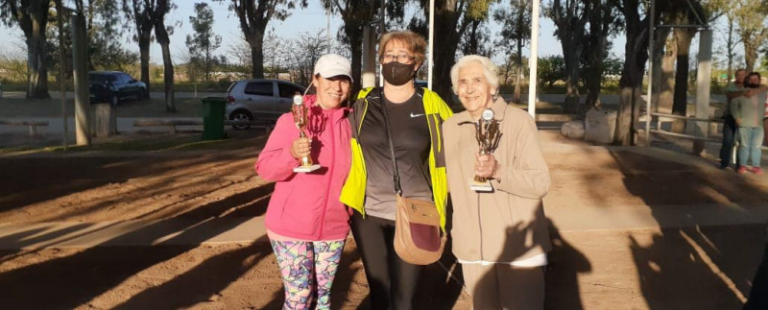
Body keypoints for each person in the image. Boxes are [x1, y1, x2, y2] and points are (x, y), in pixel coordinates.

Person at [339, 30, 453, 310]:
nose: (395, 61)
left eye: (403, 55)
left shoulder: (432, 105)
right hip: (369, 212)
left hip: (417, 212)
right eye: (388, 55)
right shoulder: (364, 103)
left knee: (405, 299)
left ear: (416, 63)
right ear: (380, 61)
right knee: (380, 294)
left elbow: (457, 151)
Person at [443, 55, 552, 309]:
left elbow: (540, 182)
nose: (469, 89)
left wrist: (499, 171)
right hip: (473, 251)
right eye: (463, 82)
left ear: (493, 86)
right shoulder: (450, 127)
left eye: (477, 81)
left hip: (517, 251)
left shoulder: (518, 121)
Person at [255, 54, 353, 310]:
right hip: (290, 228)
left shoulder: (353, 125)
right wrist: (291, 154)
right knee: (299, 299)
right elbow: (264, 168)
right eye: (330, 79)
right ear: (316, 80)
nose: (337, 87)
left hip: (333, 227)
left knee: (323, 300)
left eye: (343, 80)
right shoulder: (291, 121)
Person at [731, 72, 765, 175]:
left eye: (755, 80)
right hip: (745, 124)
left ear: (759, 81)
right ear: (748, 81)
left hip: (759, 125)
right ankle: (742, 166)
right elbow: (733, 104)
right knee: (744, 146)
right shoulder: (742, 93)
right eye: (751, 80)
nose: (753, 81)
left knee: (757, 147)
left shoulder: (763, 92)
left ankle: (756, 166)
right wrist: (736, 117)